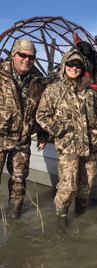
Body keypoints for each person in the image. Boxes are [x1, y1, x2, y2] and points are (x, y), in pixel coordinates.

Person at [36, 50, 97, 227]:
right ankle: (62, 227)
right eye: (70, 64)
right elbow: (41, 115)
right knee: (68, 187)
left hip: (90, 147)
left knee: (88, 183)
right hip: (68, 149)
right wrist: (59, 132)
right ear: (64, 65)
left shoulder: (91, 92)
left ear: (83, 68)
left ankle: (81, 219)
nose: (74, 68)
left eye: (78, 65)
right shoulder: (53, 90)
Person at [0, 39, 48, 219]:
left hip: (22, 141)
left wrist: (43, 134)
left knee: (19, 184)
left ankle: (13, 223)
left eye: (31, 57)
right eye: (23, 55)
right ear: (14, 55)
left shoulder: (38, 82)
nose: (27, 59)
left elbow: (41, 111)